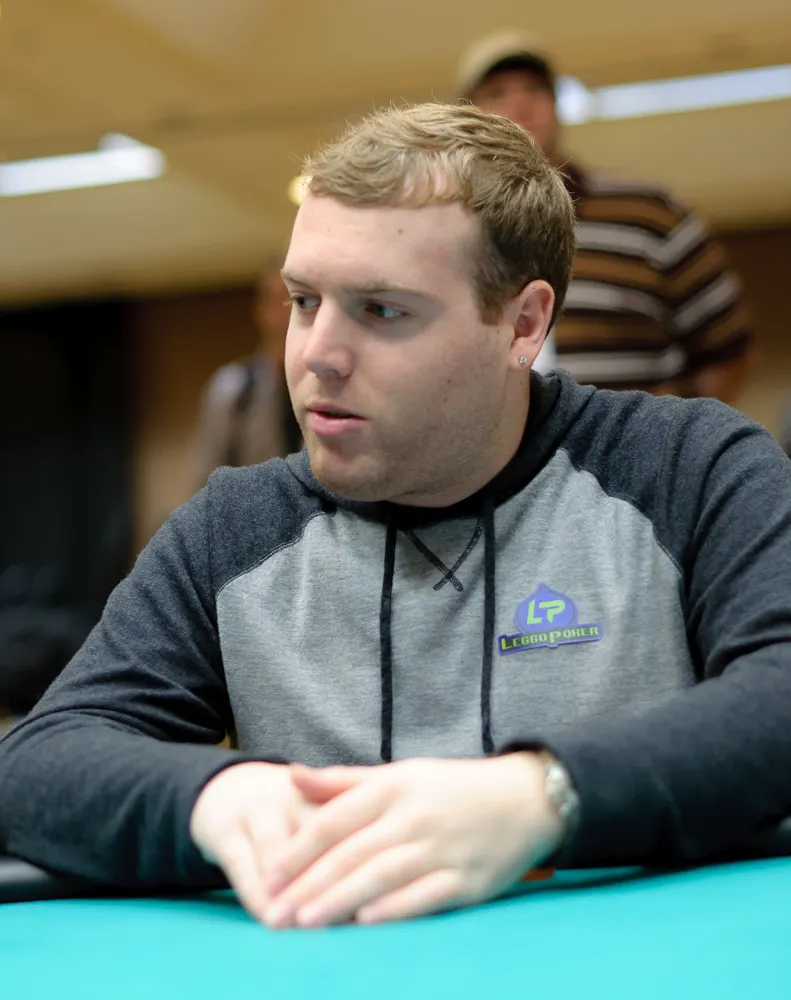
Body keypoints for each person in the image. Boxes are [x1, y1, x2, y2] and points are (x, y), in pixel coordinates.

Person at [1, 103, 790, 932]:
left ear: (523, 325)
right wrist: (214, 794)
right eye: (304, 300)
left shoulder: (686, 468)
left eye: (381, 310)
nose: (317, 353)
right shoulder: (229, 531)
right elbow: (41, 761)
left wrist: (542, 795)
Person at [457, 29, 753, 400]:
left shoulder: (650, 213)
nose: (520, 103)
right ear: (469, 117)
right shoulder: (453, 228)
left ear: (557, 106)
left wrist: (677, 433)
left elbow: (729, 351)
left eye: (535, 89)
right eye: (497, 93)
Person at [191, 257, 302, 486]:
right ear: (261, 310)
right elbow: (205, 483)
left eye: (298, 301)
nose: (286, 313)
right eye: (278, 300)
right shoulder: (232, 390)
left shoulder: (329, 384)